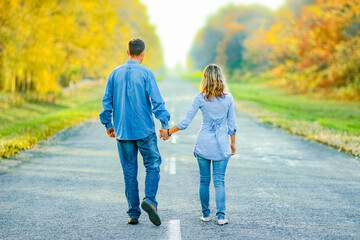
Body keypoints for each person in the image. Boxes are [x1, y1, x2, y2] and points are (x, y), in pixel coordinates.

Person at [99, 38, 170, 226]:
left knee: (129, 172)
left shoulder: (115, 74)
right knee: (153, 164)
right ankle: (150, 200)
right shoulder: (147, 73)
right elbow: (157, 101)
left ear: (127, 52)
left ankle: (133, 214)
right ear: (143, 54)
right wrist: (164, 124)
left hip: (122, 131)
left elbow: (106, 102)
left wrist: (109, 124)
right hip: (144, 130)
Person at [160, 64, 237, 226]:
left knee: (204, 181)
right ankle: (221, 217)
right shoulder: (228, 98)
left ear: (205, 79)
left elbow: (185, 122)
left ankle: (206, 214)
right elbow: (232, 125)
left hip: (204, 144)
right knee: (219, 181)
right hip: (222, 145)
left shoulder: (200, 98)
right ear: (220, 78)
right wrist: (233, 143)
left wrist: (168, 132)